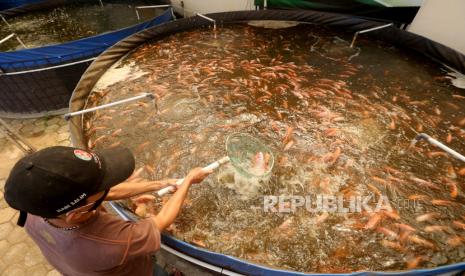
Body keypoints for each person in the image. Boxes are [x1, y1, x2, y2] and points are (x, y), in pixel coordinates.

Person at [4, 146, 212, 276]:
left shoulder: (35, 207)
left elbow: (101, 195)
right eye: (101, 190)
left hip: (74, 266)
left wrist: (158, 184)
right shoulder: (112, 241)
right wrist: (188, 182)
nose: (107, 190)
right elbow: (161, 221)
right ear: (77, 214)